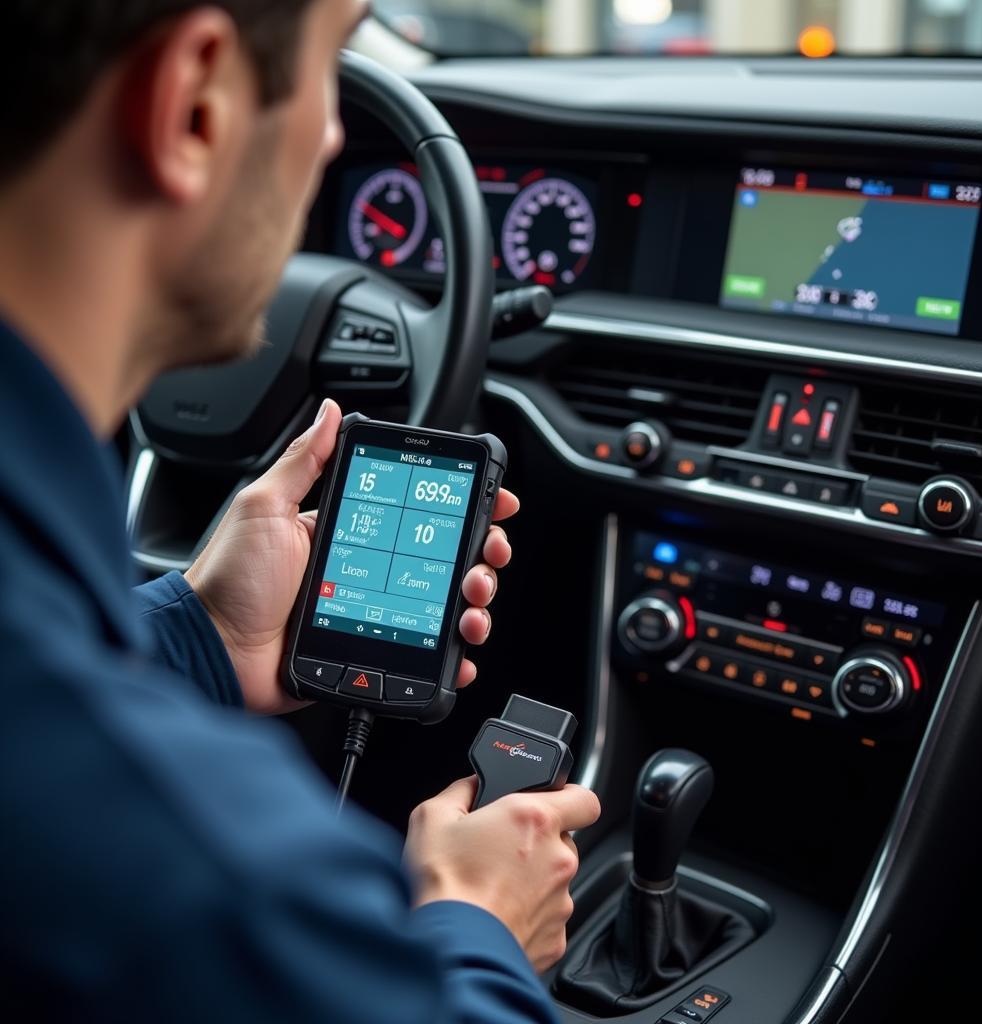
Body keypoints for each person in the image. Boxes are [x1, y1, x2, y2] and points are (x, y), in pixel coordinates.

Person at [0, 1, 600, 1019]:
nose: (333, 135)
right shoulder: (225, 882)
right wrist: (478, 929)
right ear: (194, 105)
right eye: (336, 63)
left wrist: (197, 633)